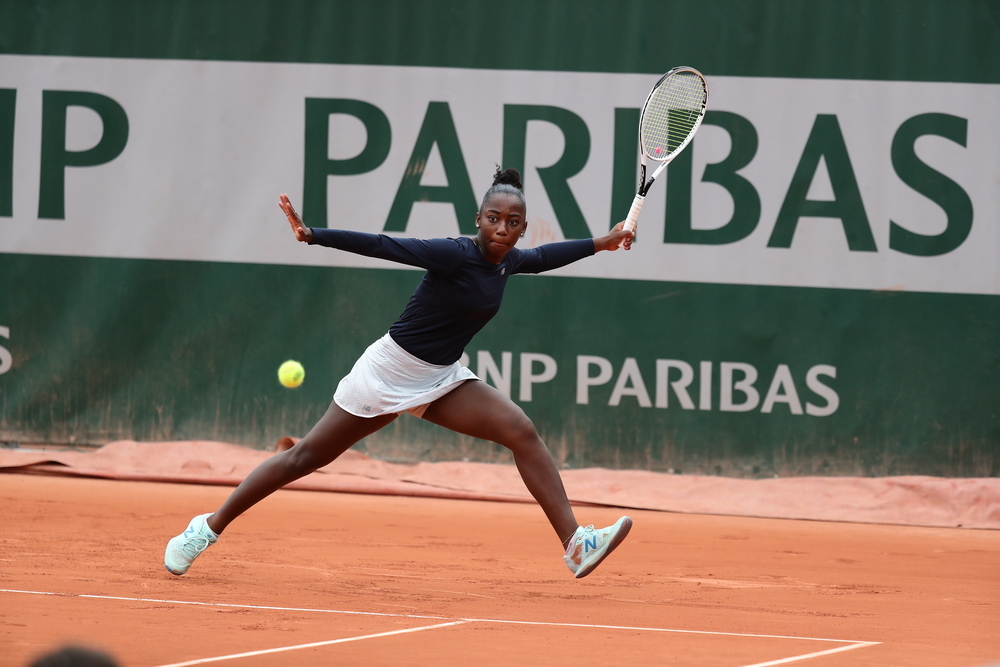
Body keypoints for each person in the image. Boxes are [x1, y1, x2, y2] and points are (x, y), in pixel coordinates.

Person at [164, 167, 635, 579]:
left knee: (521, 431)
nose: (502, 229)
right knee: (304, 458)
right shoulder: (454, 253)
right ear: (478, 219)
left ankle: (575, 543)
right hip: (386, 374)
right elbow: (385, 245)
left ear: (522, 228)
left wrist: (603, 241)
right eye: (494, 218)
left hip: (439, 379)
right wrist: (315, 234)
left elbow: (546, 257)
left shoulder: (509, 262)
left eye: (513, 223)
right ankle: (206, 528)